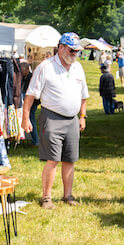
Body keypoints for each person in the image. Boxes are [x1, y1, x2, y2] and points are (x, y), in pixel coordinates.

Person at [22, 32, 89, 208]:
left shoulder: (78, 68)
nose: (74, 53)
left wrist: (82, 116)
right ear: (61, 48)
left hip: (72, 119)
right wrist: (25, 118)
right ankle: (46, 197)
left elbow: (84, 96)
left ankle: (68, 195)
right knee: (53, 159)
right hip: (51, 117)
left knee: (70, 159)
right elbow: (30, 94)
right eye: (71, 50)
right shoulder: (45, 67)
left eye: (77, 51)